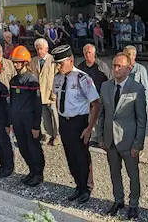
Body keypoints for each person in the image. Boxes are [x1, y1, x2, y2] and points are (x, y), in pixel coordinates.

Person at [97, 52, 147, 220]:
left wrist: (137, 144)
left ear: (129, 68)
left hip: (129, 141)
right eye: (114, 66)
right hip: (110, 139)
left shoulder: (137, 89)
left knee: (133, 174)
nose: (116, 69)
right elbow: (102, 114)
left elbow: (142, 119)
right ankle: (118, 200)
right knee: (114, 173)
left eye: (120, 66)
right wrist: (101, 137)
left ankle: (133, 204)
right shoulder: (105, 86)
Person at [52, 44, 100, 204]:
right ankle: (78, 185)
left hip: (79, 122)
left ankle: (87, 187)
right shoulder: (58, 78)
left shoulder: (83, 78)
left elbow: (95, 104)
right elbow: (57, 98)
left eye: (61, 63)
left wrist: (89, 127)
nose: (58, 66)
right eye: (56, 63)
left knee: (82, 156)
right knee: (70, 156)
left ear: (71, 60)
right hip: (64, 122)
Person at [9, 45, 44, 187]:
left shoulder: (32, 81)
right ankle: (31, 170)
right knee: (23, 147)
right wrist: (11, 121)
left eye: (18, 62)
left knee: (34, 148)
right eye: (14, 62)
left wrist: (36, 126)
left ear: (25, 63)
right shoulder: (13, 81)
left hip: (30, 122)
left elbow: (38, 105)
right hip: (18, 122)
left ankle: (38, 174)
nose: (16, 65)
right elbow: (11, 102)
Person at [78, 44, 111, 145]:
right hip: (85, 98)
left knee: (99, 118)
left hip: (98, 96)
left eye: (90, 52)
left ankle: (97, 138)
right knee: (87, 117)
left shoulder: (102, 66)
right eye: (86, 52)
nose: (88, 55)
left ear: (94, 53)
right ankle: (87, 133)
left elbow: (109, 81)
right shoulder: (80, 66)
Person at [30, 38, 60, 146]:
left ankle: (57, 136)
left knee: (55, 115)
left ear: (47, 48)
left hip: (51, 93)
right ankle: (48, 134)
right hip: (40, 94)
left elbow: (57, 78)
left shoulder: (53, 61)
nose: (40, 51)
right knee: (45, 116)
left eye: (41, 49)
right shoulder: (33, 61)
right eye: (37, 49)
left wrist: (55, 92)